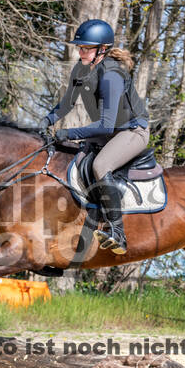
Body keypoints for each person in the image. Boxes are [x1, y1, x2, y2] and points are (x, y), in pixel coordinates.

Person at [39, 19, 150, 255]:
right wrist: (47, 119)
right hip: (108, 132)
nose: (81, 51)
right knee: (69, 161)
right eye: (80, 47)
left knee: (101, 165)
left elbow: (107, 126)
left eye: (86, 48)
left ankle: (117, 232)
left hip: (131, 131)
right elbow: (67, 102)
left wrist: (68, 133)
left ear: (102, 49)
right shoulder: (81, 69)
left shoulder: (112, 75)